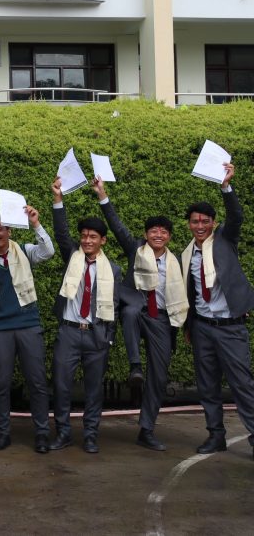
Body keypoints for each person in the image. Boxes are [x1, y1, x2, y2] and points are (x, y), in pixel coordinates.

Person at [95, 177, 187, 451]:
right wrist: (103, 196)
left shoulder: (177, 261)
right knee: (133, 310)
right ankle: (135, 366)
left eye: (163, 232)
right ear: (146, 235)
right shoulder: (136, 249)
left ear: (169, 236)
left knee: (159, 377)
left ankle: (146, 429)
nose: (158, 235)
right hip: (136, 309)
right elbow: (116, 225)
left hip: (161, 318)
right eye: (153, 231)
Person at [0, 204, 55, 453]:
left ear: (9, 232)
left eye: (0, 229)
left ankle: (42, 434)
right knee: (1, 385)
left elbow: (48, 251)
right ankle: (3, 434)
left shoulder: (24, 252)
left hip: (28, 325)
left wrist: (36, 223)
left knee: (36, 382)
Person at [182, 163, 254, 459]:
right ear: (189, 224)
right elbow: (187, 293)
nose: (200, 226)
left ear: (213, 223)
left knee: (243, 385)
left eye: (205, 221)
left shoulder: (224, 240)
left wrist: (226, 187)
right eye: (195, 221)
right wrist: (189, 326)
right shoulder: (186, 253)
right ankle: (216, 435)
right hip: (202, 328)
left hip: (230, 327)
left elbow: (236, 217)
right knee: (207, 384)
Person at [50, 177, 123, 454]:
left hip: (97, 335)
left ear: (102, 240)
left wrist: (109, 339)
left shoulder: (113, 270)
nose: (87, 240)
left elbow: (115, 306)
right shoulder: (73, 257)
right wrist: (58, 199)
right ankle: (64, 433)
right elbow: (60, 232)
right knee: (61, 386)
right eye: (84, 236)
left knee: (94, 391)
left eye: (93, 237)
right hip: (69, 331)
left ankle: (91, 435)